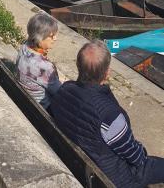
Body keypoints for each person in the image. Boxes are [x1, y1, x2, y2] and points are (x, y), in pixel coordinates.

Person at [51, 40, 164, 187]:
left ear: (78, 66)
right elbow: (136, 157)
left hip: (81, 161)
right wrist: (142, 151)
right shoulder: (109, 115)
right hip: (113, 177)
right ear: (107, 73)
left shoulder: (64, 90)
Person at [16, 12, 62, 111]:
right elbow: (60, 92)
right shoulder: (44, 67)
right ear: (39, 38)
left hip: (26, 100)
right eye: (51, 36)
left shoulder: (25, 46)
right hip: (43, 108)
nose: (55, 39)